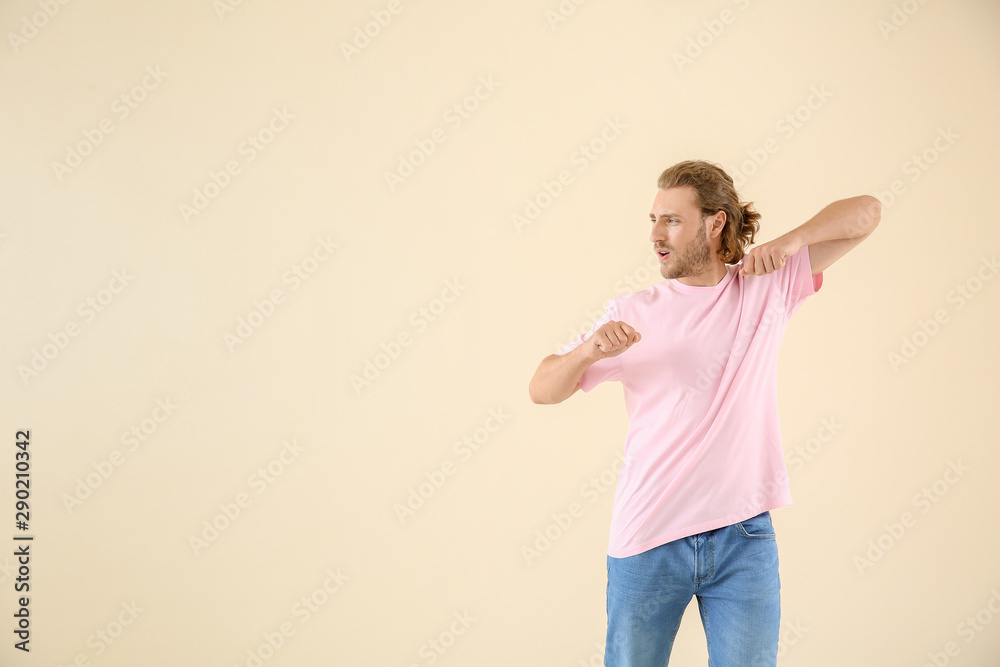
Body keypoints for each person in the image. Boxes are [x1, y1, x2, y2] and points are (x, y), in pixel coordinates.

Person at [528, 159, 880, 667]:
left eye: (671, 219)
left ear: (716, 223)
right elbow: (541, 388)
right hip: (649, 535)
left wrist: (790, 243)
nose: (655, 234)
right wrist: (587, 353)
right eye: (652, 220)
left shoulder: (766, 288)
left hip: (744, 538)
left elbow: (868, 212)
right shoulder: (632, 311)